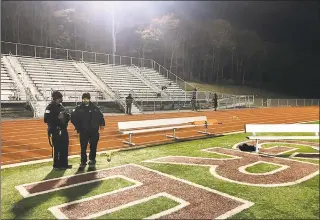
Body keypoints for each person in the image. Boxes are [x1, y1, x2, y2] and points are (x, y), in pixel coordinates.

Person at [71, 93, 105, 167]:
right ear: (82, 99)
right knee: (83, 147)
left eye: (86, 98)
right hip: (83, 131)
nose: (85, 100)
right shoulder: (79, 108)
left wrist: (102, 124)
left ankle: (92, 159)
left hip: (94, 131)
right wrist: (78, 126)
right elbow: (73, 118)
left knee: (93, 146)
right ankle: (83, 161)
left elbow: (101, 116)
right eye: (84, 99)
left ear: (89, 99)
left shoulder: (95, 108)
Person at [44, 91, 72, 170]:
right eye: (60, 98)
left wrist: (67, 117)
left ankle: (64, 164)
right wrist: (57, 118)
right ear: (55, 98)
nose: (61, 99)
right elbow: (46, 119)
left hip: (63, 130)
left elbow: (66, 117)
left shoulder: (61, 107)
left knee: (65, 147)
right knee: (57, 148)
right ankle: (56, 165)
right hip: (55, 130)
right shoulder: (49, 107)